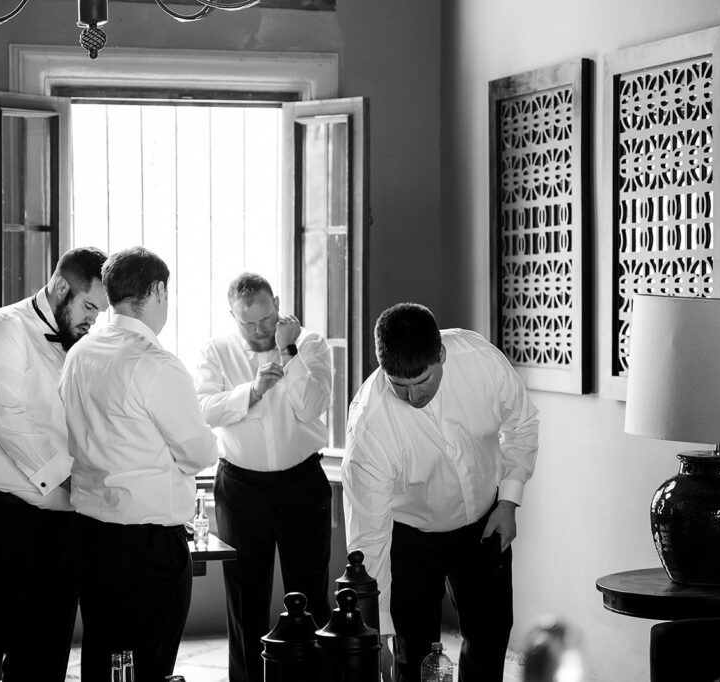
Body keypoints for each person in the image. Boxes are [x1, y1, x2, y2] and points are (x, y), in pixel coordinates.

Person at [342, 302, 539, 682]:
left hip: (484, 521)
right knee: (413, 650)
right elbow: (370, 537)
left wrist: (509, 501)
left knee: (491, 633)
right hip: (410, 539)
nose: (413, 397)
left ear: (442, 355)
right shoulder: (369, 426)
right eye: (399, 385)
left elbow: (521, 423)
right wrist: (378, 631)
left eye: (423, 382)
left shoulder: (480, 361)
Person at [0, 246, 109, 682]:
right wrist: (74, 483)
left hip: (59, 519)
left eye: (101, 310)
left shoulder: (81, 346)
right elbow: (6, 418)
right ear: (59, 288)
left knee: (45, 651)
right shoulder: (0, 327)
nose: (94, 318)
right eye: (89, 305)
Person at [60, 246, 218, 682]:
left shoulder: (80, 355)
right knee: (147, 663)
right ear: (158, 290)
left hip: (90, 535)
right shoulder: (156, 365)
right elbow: (201, 454)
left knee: (103, 657)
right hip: (146, 547)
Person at [194, 272, 334, 682]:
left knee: (310, 597)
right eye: (249, 323)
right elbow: (203, 409)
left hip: (302, 484)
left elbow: (311, 408)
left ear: (277, 303)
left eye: (267, 320)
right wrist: (251, 392)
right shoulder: (215, 352)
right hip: (241, 487)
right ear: (232, 317)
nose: (259, 331)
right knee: (245, 600)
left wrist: (287, 352)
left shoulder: (309, 344)